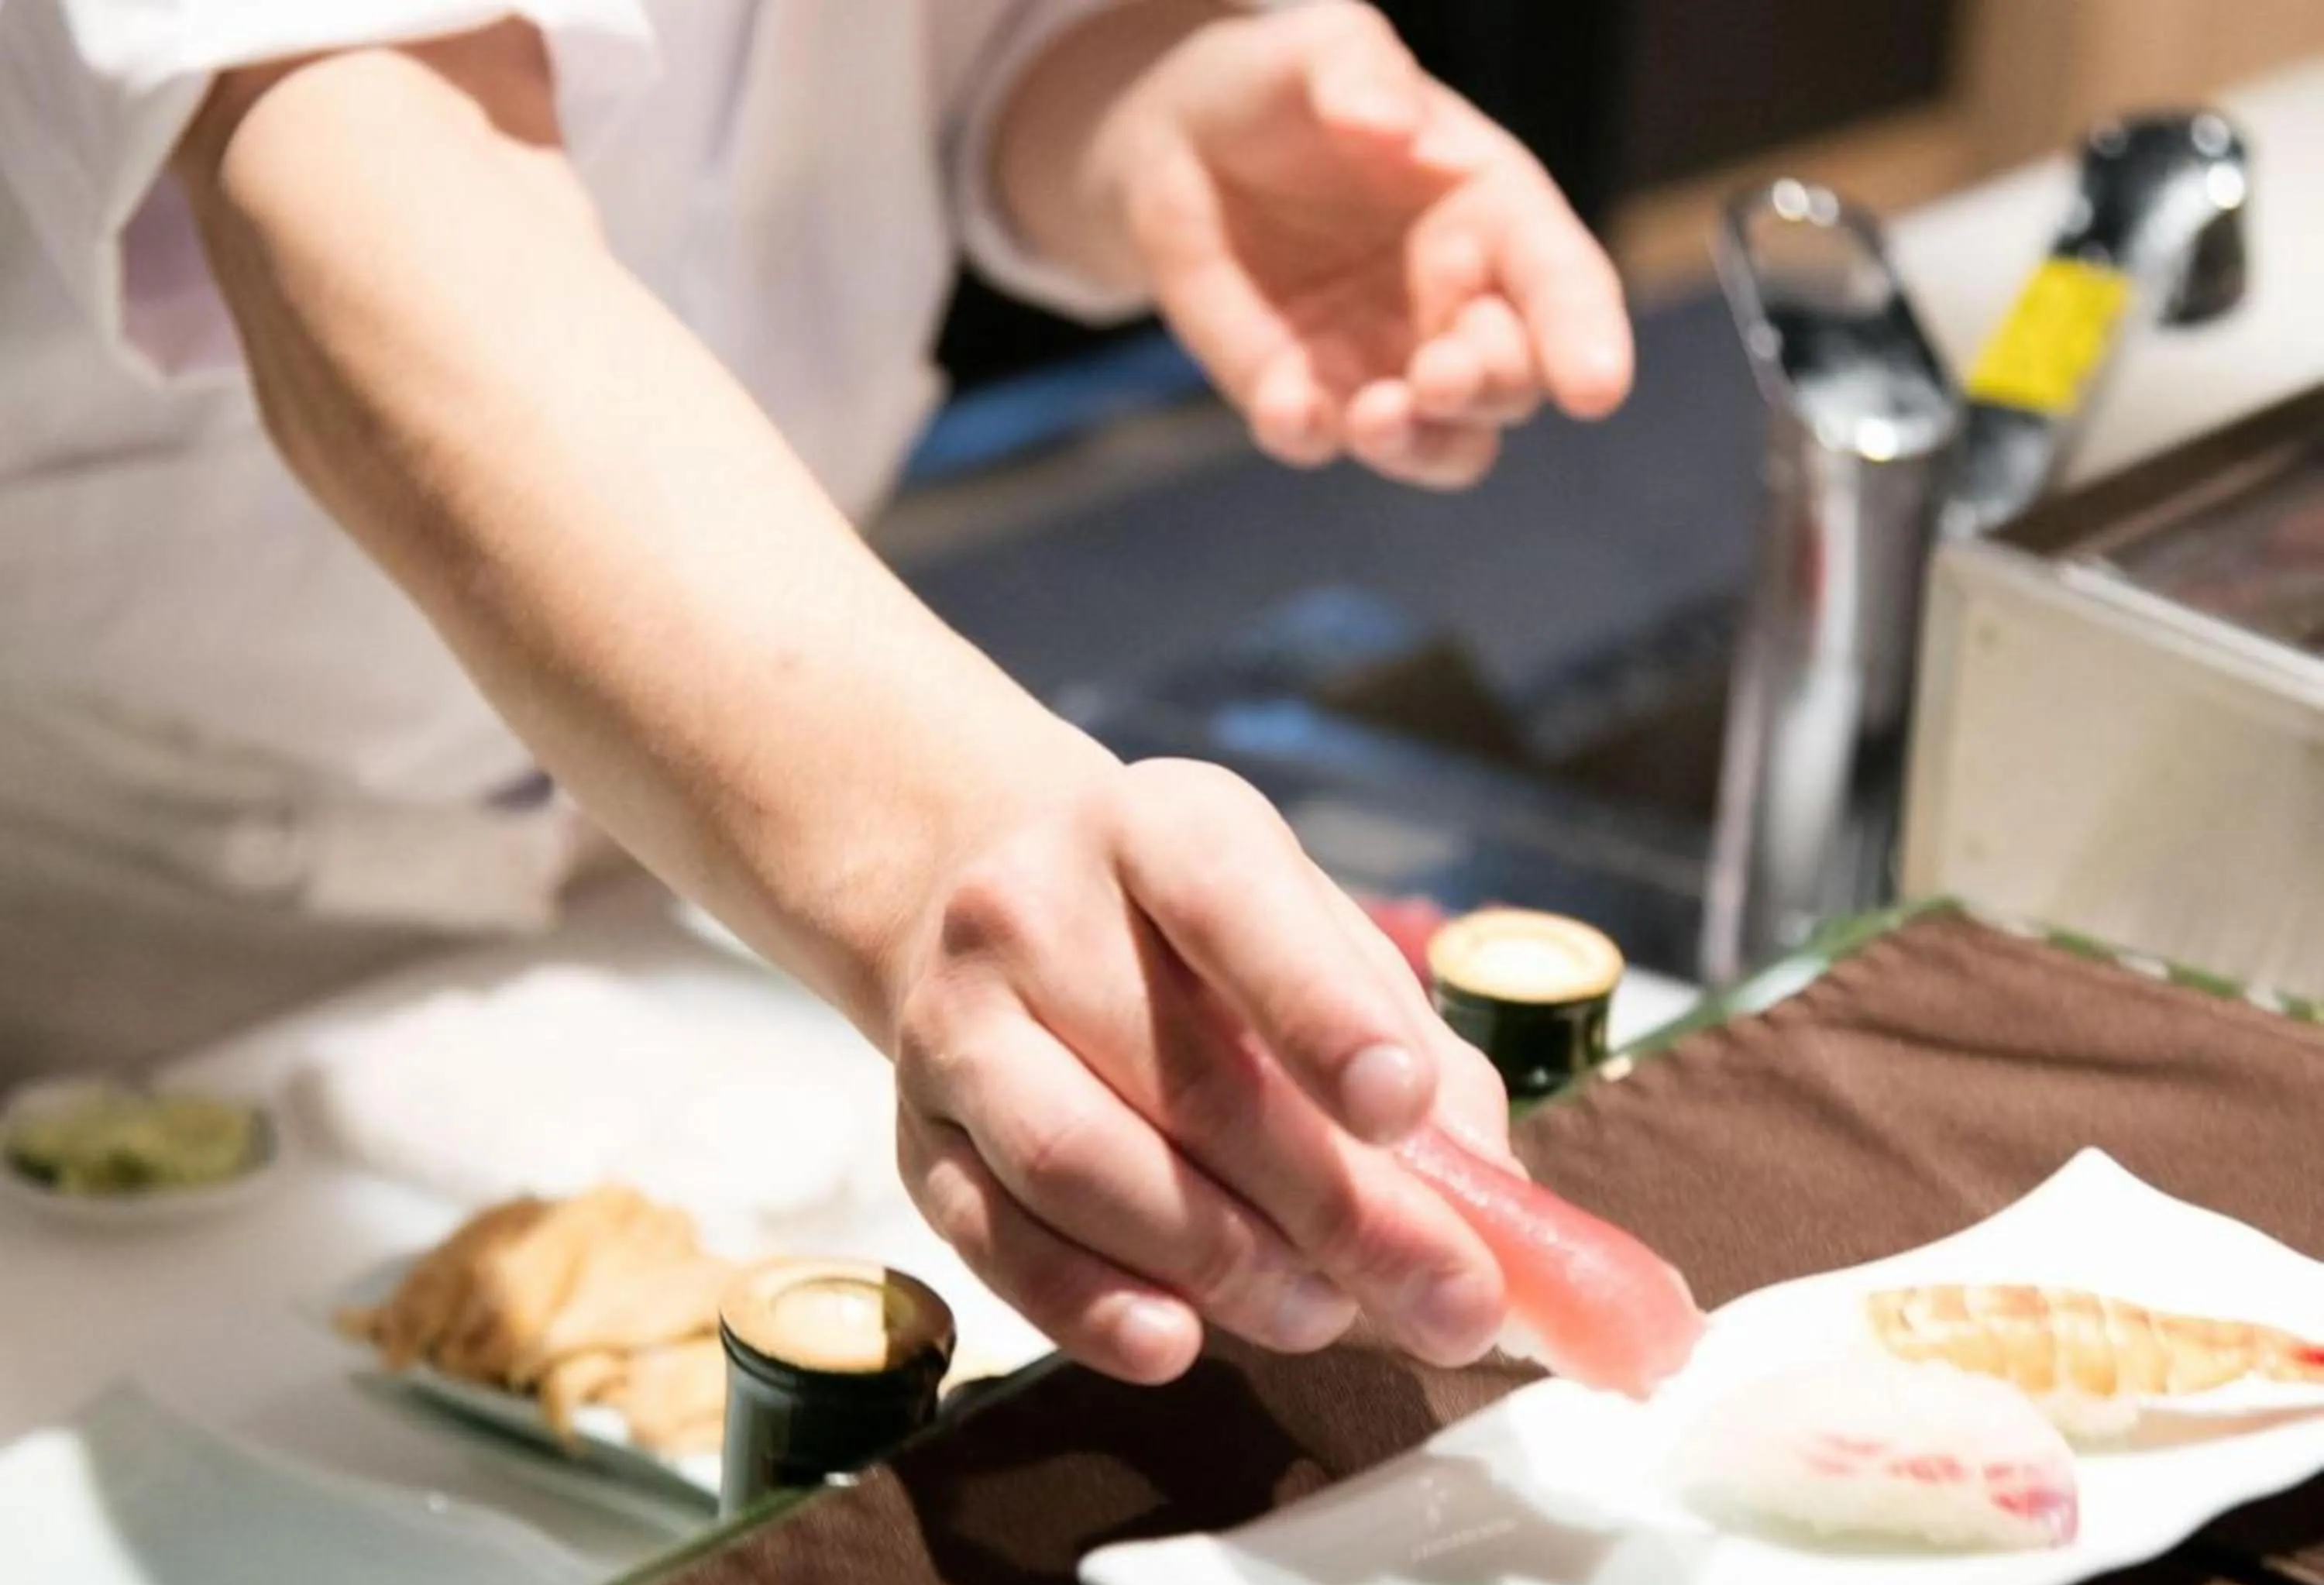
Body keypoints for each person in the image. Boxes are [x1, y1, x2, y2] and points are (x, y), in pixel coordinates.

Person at [0, 0, 1634, 1384]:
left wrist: (1148, 95)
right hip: (147, 895)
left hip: (682, 849)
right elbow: (352, 184)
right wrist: (930, 845)